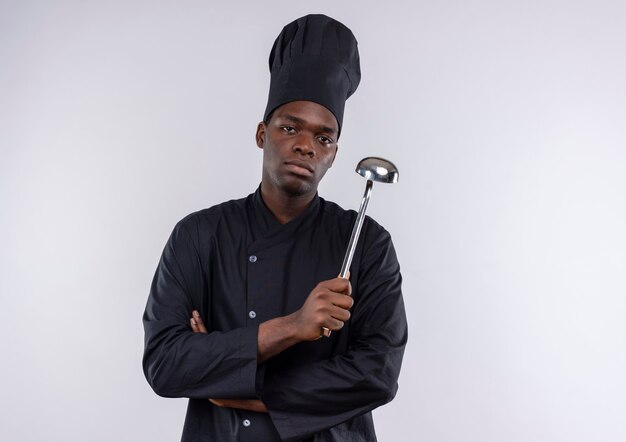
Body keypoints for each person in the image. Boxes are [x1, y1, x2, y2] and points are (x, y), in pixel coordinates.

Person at [143, 14, 408, 441]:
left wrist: (243, 385)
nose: (306, 145)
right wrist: (293, 326)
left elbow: (377, 373)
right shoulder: (199, 235)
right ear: (262, 134)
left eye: (324, 138)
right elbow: (165, 364)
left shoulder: (367, 244)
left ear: (335, 154)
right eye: (290, 128)